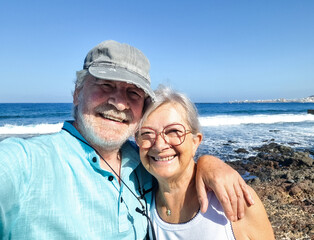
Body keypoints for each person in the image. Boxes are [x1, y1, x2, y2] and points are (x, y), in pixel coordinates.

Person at [0, 40, 252, 239]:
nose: (119, 103)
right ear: (77, 94)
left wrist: (208, 163)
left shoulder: (144, 162)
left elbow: (177, 166)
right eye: (106, 85)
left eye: (132, 92)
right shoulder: (25, 163)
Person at [136, 86, 275, 240]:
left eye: (173, 131)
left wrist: (207, 160)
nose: (159, 145)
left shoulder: (237, 200)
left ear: (195, 142)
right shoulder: (140, 203)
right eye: (146, 133)